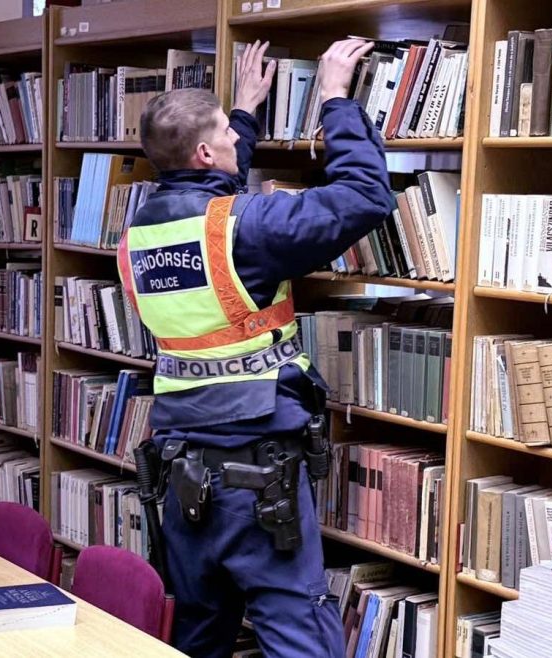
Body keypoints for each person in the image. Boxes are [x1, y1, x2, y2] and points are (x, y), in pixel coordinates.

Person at [115, 38, 393, 658]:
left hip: (181, 468)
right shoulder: (247, 228)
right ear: (204, 152)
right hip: (258, 470)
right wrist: (335, 99)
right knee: (296, 631)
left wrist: (242, 109)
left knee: (198, 630)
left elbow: (214, 195)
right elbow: (364, 197)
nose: (237, 141)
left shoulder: (141, 233)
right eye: (227, 133)